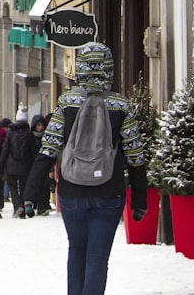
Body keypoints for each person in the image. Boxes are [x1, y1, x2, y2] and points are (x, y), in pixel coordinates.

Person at [23, 42, 148, 295]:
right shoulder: (121, 106)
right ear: (109, 70)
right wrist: (140, 200)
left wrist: (30, 194)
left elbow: (49, 147)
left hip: (71, 192)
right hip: (109, 193)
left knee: (77, 250)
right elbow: (135, 155)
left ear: (79, 69)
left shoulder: (67, 102)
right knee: (98, 257)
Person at [0, 107, 37, 218]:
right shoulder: (29, 134)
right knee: (23, 187)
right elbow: (33, 151)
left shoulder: (10, 133)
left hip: (11, 166)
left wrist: (0, 164)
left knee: (13, 188)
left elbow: (5, 149)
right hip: (26, 166)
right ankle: (21, 206)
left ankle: (17, 207)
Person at [29, 114, 53, 215]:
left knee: (44, 186)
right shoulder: (30, 137)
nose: (40, 127)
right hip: (33, 165)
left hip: (44, 165)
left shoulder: (46, 137)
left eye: (42, 125)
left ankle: (42, 207)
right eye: (38, 125)